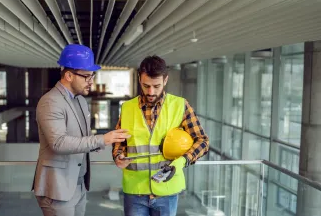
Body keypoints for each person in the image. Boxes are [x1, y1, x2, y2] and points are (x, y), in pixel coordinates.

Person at [32, 44, 130, 216]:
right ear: (69, 75)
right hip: (58, 188)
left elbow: (82, 139)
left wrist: (105, 143)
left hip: (78, 184)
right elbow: (59, 143)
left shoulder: (80, 101)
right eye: (86, 76)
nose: (91, 81)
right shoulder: (50, 101)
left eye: (92, 75)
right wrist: (102, 139)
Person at [112, 55, 210, 216]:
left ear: (165, 80)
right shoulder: (127, 108)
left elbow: (203, 142)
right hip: (135, 191)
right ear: (139, 79)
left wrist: (181, 161)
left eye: (156, 86)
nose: (151, 91)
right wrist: (118, 155)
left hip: (167, 190)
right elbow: (119, 141)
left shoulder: (180, 105)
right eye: (146, 85)